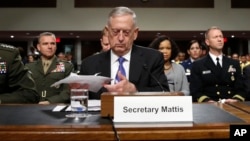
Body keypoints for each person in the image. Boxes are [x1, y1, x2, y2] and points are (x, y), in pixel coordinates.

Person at [79, 6, 169, 99]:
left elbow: (164, 91)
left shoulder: (152, 58)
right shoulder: (89, 64)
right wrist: (76, 91)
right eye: (115, 32)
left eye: (126, 32)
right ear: (107, 31)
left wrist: (135, 90)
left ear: (135, 33)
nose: (121, 38)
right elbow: (81, 99)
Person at [190, 26, 245, 103]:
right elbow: (195, 91)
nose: (219, 39)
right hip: (209, 107)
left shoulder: (234, 63)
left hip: (232, 106)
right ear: (207, 42)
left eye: (221, 37)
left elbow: (241, 88)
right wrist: (208, 101)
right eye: (215, 37)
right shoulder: (198, 65)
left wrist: (236, 99)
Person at [26, 32, 74, 104]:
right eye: (45, 44)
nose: (50, 47)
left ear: (56, 46)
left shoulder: (67, 66)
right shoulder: (29, 67)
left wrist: (49, 102)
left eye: (52, 43)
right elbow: (24, 90)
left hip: (56, 107)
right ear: (39, 47)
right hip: (33, 106)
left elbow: (67, 91)